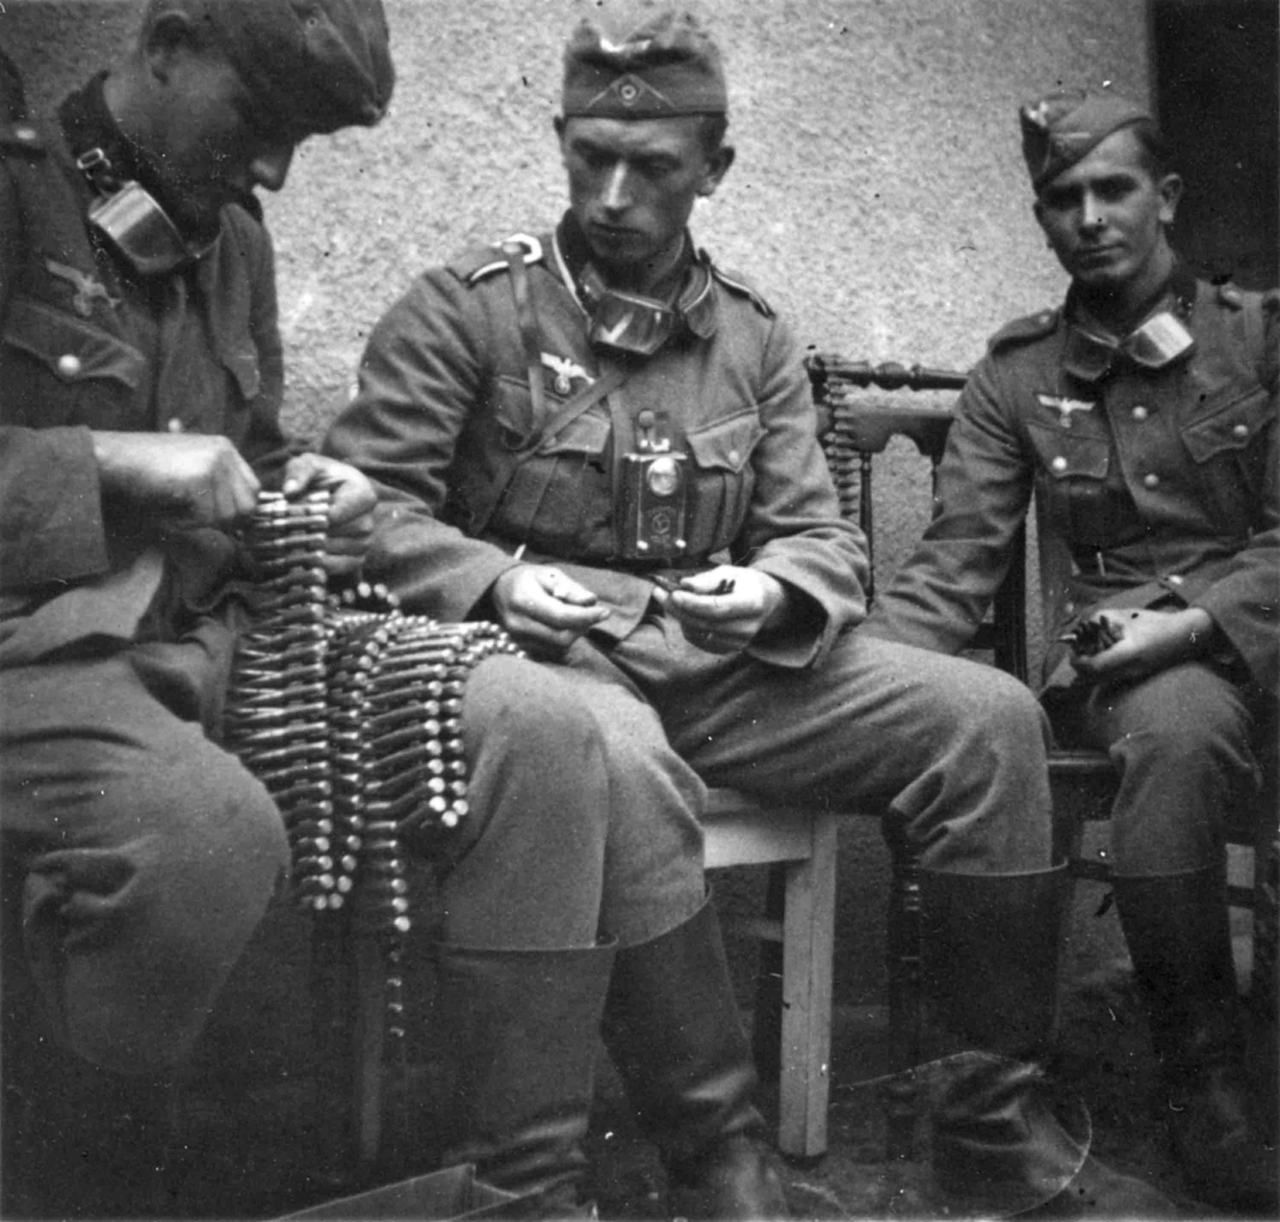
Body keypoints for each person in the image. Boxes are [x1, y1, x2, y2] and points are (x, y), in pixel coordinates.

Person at [324, 9, 1179, 1218]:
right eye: (589, 157)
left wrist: (774, 588)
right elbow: (362, 512)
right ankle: (718, 1149)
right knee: (616, 757)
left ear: (713, 169)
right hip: (539, 666)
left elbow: (817, 535)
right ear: (561, 139)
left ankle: (989, 1128)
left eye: (651, 167)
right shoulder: (469, 310)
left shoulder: (753, 337)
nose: (612, 195)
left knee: (986, 720)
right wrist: (492, 577)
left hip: (714, 662)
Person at [0, 1, 393, 1215]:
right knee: (205, 834)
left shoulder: (232, 243)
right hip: (37, 654)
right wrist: (109, 465)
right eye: (258, 122)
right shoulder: (15, 193)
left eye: (299, 142)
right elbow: (152, 467)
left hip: (206, 642)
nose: (272, 170)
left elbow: (244, 457)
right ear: (167, 48)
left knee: (513, 732)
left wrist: (312, 488)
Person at [861, 87, 1278, 1213]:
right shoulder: (1017, 375)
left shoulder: (1259, 338)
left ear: (1166, 198)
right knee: (1176, 730)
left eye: (1114, 189)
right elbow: (955, 565)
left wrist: (1190, 619)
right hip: (1130, 673)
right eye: (1062, 199)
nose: (1090, 218)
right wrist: (849, 676)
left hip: (1254, 624)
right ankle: (1205, 1084)